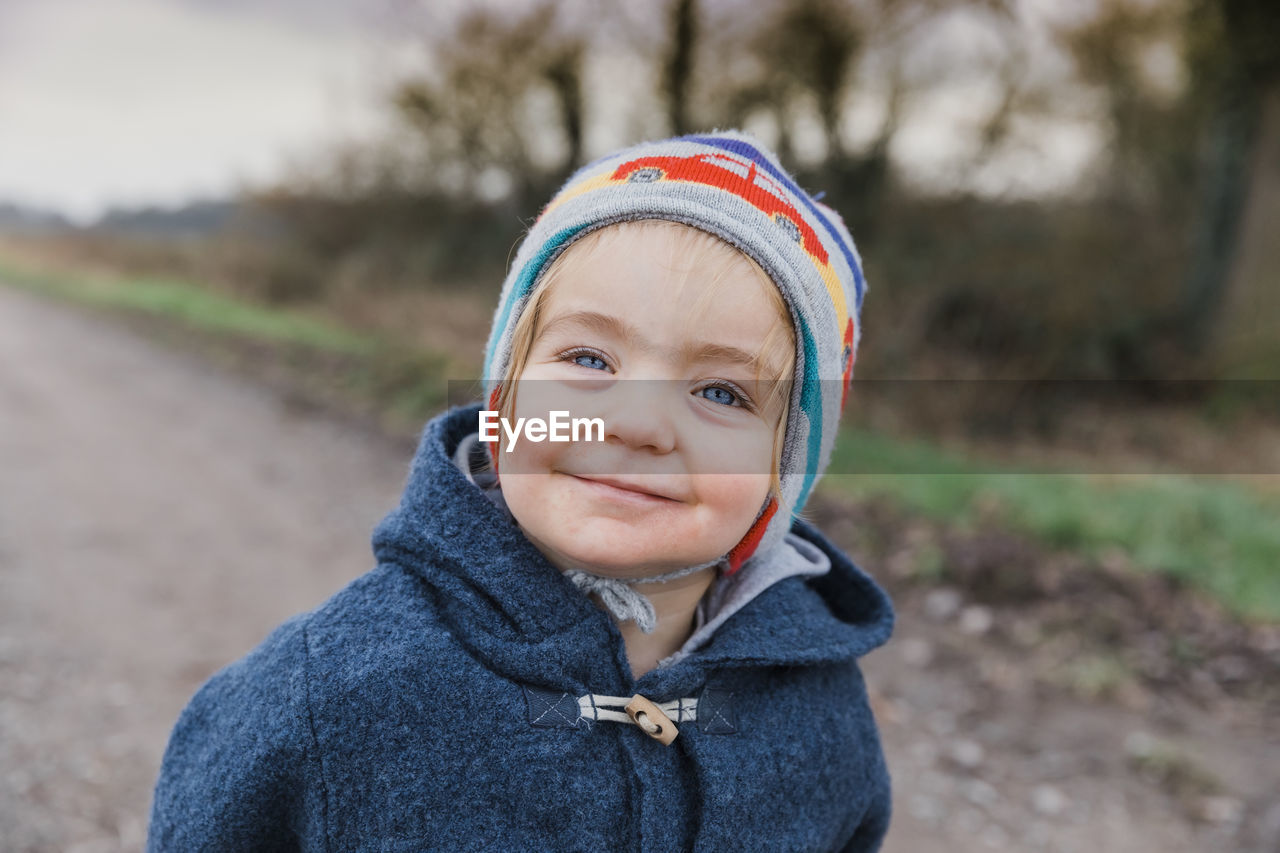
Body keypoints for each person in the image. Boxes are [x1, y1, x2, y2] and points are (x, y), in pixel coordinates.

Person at [147, 131, 895, 851]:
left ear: (783, 468)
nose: (637, 424)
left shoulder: (820, 709)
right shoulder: (337, 687)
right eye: (590, 358)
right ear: (504, 396)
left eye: (722, 392)